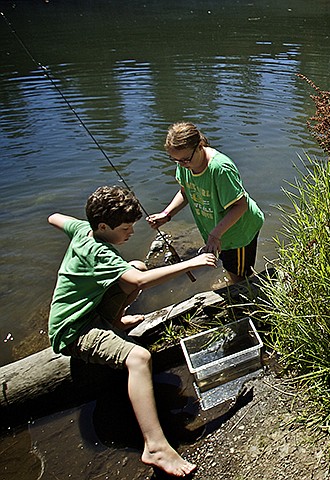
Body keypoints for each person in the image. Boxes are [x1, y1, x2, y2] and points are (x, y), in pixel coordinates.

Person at [48, 185, 219, 477]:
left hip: (88, 312)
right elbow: (139, 282)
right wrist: (190, 263)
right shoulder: (100, 253)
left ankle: (114, 322)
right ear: (103, 226)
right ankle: (155, 446)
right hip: (75, 328)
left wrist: (60, 219)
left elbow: (54, 217)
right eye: (125, 228)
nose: (130, 233)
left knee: (135, 264)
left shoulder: (83, 229)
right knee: (139, 358)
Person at [147, 121, 264, 284]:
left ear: (200, 145)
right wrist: (166, 214)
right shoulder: (185, 164)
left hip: (239, 232)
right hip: (219, 230)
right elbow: (185, 192)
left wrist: (215, 235)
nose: (181, 165)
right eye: (175, 160)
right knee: (229, 266)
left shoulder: (220, 169)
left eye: (185, 160)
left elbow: (241, 205)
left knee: (240, 276)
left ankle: (243, 298)